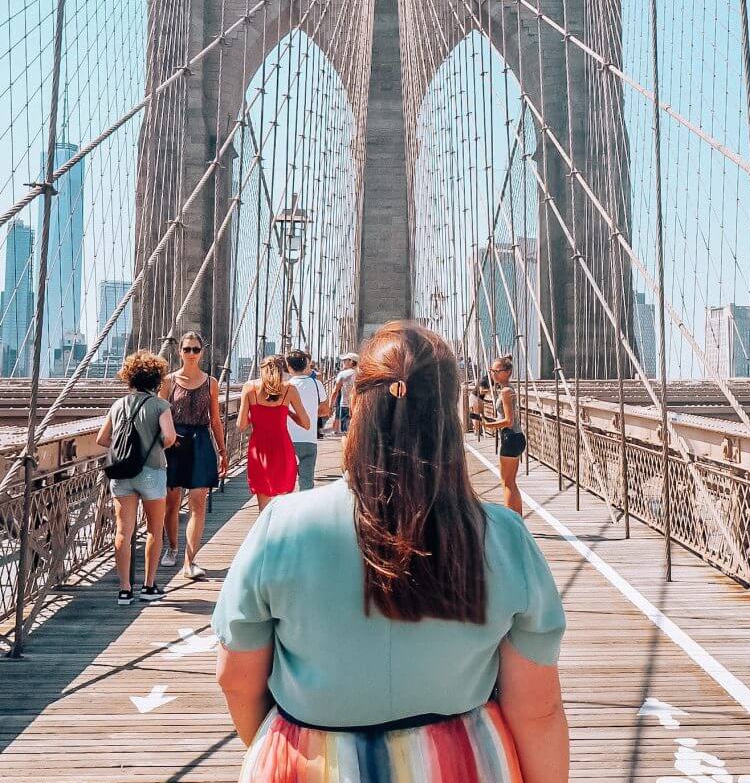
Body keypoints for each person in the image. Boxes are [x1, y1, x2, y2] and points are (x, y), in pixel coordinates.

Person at [213, 322, 568, 783]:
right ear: (450, 414)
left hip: (307, 765)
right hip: (462, 766)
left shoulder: (281, 526)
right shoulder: (503, 535)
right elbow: (538, 710)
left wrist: (288, 743)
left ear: (356, 406)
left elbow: (236, 679)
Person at [96, 350, 177, 605]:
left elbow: (102, 439)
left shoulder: (118, 404)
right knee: (154, 530)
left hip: (121, 474)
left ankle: (124, 589)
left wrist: (125, 450)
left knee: (123, 531)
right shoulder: (160, 405)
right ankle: (149, 586)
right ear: (156, 379)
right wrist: (152, 448)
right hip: (152, 472)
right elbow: (170, 436)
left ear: (129, 378)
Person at [159, 331, 228, 579]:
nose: (191, 354)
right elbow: (160, 415)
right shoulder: (168, 381)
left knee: (198, 503)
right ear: (179, 352)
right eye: (186, 349)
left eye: (195, 349)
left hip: (200, 442)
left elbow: (215, 419)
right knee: (172, 503)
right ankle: (173, 547)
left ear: (202, 352)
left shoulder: (211, 382)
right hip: (174, 443)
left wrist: (222, 449)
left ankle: (190, 561)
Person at [237, 355, 309, 512]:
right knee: (282, 503)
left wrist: (254, 415)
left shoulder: (249, 388)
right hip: (282, 448)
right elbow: (306, 424)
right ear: (283, 370)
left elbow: (241, 425)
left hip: (259, 449)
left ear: (261, 369)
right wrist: (287, 413)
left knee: (263, 507)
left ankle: (265, 535)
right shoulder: (290, 390)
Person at [482, 354, 526, 516]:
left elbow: (508, 421)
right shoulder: (507, 390)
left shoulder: (506, 391)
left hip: (510, 438)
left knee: (506, 483)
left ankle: (511, 520)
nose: (492, 373)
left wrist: (488, 425)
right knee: (511, 482)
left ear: (507, 372)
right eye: (491, 370)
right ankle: (518, 518)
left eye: (495, 370)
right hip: (515, 437)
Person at [284, 349, 327, 491]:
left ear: (288, 367)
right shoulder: (317, 384)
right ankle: (305, 510)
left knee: (285, 483)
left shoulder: (284, 387)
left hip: (286, 439)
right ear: (306, 365)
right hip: (309, 438)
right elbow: (325, 411)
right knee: (307, 483)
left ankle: (286, 511)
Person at [327, 351, 357, 432]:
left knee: (346, 432)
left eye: (345, 360)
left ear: (351, 361)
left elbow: (335, 391)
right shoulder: (362, 374)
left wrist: (330, 406)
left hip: (345, 406)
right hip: (358, 406)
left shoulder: (343, 374)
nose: (343, 362)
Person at [469, 374, 490, 438]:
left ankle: (478, 431)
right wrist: (489, 391)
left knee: (481, 415)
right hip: (475, 397)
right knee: (477, 415)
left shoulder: (490, 382)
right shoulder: (483, 381)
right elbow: (481, 392)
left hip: (479, 398)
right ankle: (477, 431)